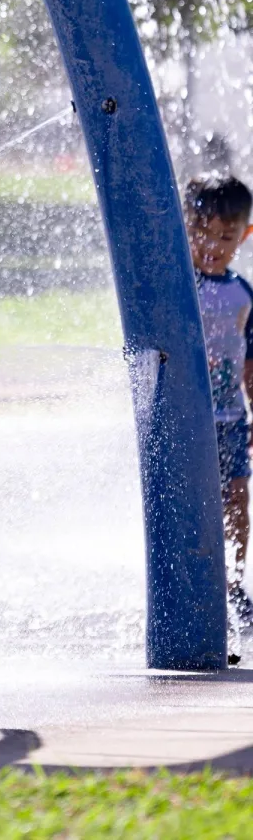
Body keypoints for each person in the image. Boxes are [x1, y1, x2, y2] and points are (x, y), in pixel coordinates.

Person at [183, 174, 253, 630]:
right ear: (184, 225)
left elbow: (251, 364)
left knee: (237, 502)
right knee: (193, 503)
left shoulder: (243, 293)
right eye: (200, 231)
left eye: (225, 236)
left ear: (245, 235)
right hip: (187, 419)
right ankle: (194, 583)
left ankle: (235, 584)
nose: (212, 244)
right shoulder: (178, 287)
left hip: (230, 418)